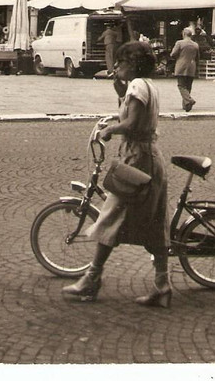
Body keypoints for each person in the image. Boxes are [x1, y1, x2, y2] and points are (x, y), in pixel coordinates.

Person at [62, 40, 171, 307]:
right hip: (152, 157)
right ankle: (162, 285)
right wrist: (120, 93)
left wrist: (110, 130)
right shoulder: (148, 85)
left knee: (110, 216)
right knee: (156, 225)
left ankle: (91, 279)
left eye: (120, 63)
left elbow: (131, 122)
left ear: (132, 64)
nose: (116, 67)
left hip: (136, 159)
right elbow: (136, 115)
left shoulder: (136, 86)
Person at [170, 25, 200, 112]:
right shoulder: (196, 45)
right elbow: (198, 57)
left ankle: (190, 100)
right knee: (188, 86)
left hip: (181, 66)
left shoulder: (179, 43)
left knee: (181, 85)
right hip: (192, 66)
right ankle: (186, 105)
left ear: (184, 34)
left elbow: (173, 54)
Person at [99, 23, 126, 100]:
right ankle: (112, 69)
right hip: (114, 45)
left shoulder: (106, 32)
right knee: (113, 57)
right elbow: (117, 36)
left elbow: (100, 38)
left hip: (108, 45)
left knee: (109, 57)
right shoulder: (113, 32)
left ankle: (110, 70)